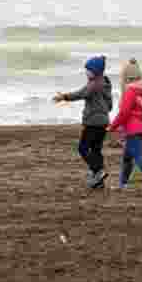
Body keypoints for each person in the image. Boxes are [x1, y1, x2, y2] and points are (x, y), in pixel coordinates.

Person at [53, 55, 113, 189]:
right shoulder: (105, 83)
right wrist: (103, 112)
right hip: (103, 123)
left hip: (93, 123)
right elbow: (110, 105)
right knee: (96, 150)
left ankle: (98, 171)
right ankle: (99, 182)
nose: (86, 72)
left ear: (96, 71)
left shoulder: (94, 85)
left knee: (83, 148)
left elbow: (81, 94)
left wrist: (64, 97)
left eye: (88, 70)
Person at [107, 60, 142, 191]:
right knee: (127, 158)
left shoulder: (130, 91)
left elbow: (124, 112)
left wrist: (113, 126)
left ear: (126, 77)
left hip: (132, 130)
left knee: (138, 156)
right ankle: (122, 184)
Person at [113, 58, 142, 147]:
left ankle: (123, 140)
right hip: (136, 101)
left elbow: (122, 84)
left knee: (125, 121)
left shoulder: (125, 69)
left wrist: (121, 101)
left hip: (127, 98)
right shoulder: (138, 70)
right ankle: (129, 139)